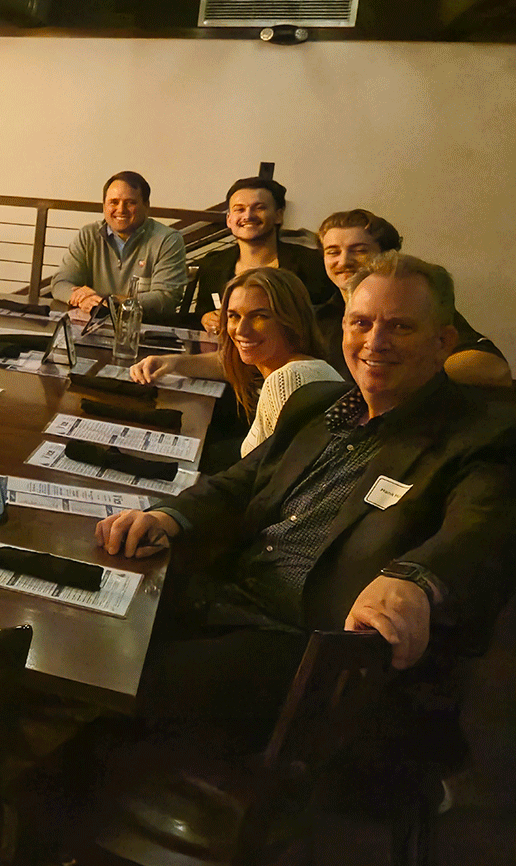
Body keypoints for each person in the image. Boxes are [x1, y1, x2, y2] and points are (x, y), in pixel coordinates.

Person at [96, 252, 516, 742]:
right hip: (226, 594)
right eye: (361, 323)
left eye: (400, 327)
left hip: (305, 644)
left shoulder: (482, 434)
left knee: (127, 679)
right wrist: (168, 516)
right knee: (95, 627)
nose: (375, 342)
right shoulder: (318, 404)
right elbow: (240, 481)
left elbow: (477, 532)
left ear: (442, 342)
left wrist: (415, 579)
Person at [136, 268, 342, 456]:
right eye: (234, 316)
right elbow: (227, 363)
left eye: (259, 316)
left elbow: (274, 477)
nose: (241, 330)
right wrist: (173, 362)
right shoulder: (298, 365)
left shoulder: (287, 379)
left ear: (291, 320)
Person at [317, 209, 509, 387]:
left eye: (359, 251)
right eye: (333, 252)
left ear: (386, 255)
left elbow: (494, 368)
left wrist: (401, 374)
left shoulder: (418, 309)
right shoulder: (318, 319)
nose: (344, 261)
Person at [185, 177, 334, 332]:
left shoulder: (312, 262)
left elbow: (328, 319)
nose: (248, 216)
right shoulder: (212, 265)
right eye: (239, 209)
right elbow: (203, 311)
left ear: (279, 216)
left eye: (259, 208)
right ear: (229, 219)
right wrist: (205, 318)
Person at [50, 171, 188, 321]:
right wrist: (80, 298)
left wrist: (111, 301)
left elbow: (166, 298)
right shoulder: (88, 235)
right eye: (114, 202)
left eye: (130, 203)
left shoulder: (168, 240)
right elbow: (60, 283)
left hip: (146, 327)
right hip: (94, 326)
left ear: (146, 205)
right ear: (104, 206)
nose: (121, 209)